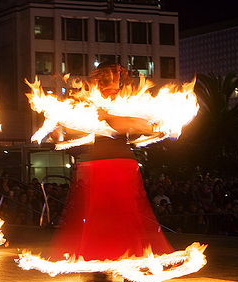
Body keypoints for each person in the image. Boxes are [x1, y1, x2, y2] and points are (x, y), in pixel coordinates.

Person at [48, 62, 173, 263]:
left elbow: (137, 125)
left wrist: (109, 117)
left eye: (113, 78)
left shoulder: (126, 101)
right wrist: (57, 131)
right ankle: (101, 260)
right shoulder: (91, 103)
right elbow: (73, 129)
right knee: (100, 214)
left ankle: (130, 259)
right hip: (99, 164)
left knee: (125, 213)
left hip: (120, 164)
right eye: (104, 79)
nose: (109, 84)